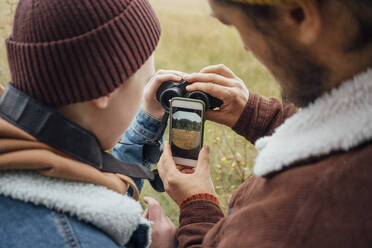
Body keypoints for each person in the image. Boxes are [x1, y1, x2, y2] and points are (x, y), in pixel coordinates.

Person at [151, 0, 372, 247]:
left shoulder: (298, 215)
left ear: (300, 14)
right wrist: (256, 115)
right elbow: (330, 128)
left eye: (234, 23)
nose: (245, 46)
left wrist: (197, 207)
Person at [0, 0, 180, 247]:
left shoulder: (21, 148)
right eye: (145, 80)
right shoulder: (77, 241)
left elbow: (84, 180)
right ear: (106, 89)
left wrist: (148, 120)